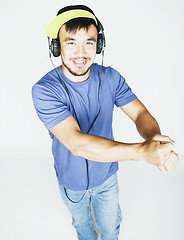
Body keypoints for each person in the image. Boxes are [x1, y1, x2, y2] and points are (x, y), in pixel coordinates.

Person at [32, 5, 179, 240]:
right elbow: (77, 144)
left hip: (107, 177)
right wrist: (142, 152)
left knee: (110, 230)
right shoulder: (44, 90)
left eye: (89, 42)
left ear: (98, 45)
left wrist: (155, 142)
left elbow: (140, 114)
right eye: (71, 42)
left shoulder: (111, 77)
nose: (81, 53)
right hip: (71, 181)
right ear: (56, 46)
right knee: (84, 229)